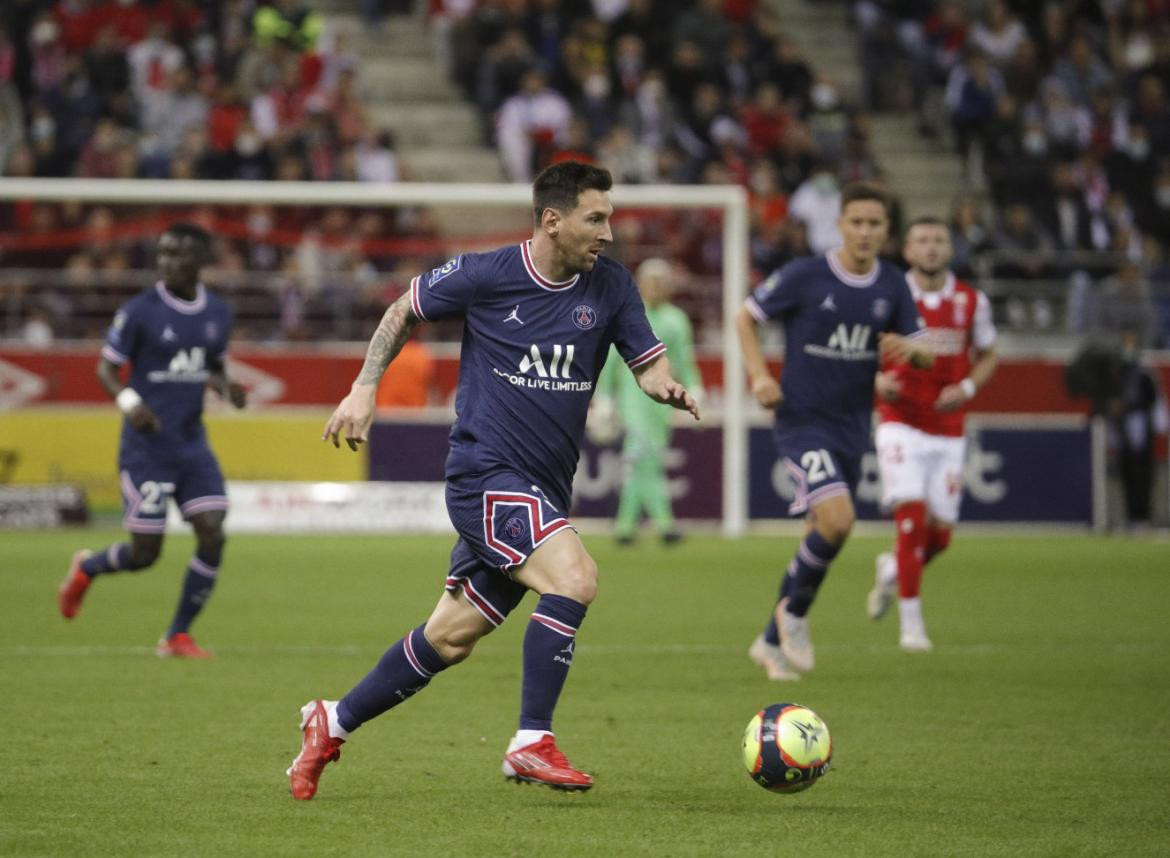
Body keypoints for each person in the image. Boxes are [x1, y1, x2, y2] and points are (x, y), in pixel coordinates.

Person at [287, 161, 699, 799]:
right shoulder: (486, 274)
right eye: (596, 218)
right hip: (486, 476)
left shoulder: (612, 287)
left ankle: (331, 721)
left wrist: (664, 385)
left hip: (543, 488)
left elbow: (647, 364)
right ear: (552, 220)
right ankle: (531, 741)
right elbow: (404, 309)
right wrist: (364, 386)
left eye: (609, 217)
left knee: (448, 640)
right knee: (576, 578)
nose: (609, 233)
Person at [736, 180, 932, 681]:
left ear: (888, 231)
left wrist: (907, 356)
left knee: (822, 533)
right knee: (839, 520)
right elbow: (746, 316)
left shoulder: (892, 285)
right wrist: (759, 375)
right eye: (857, 222)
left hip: (851, 427)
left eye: (875, 224)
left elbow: (923, 350)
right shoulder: (806, 274)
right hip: (802, 421)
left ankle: (770, 640)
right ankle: (795, 617)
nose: (865, 232)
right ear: (840, 224)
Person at [57, 223, 247, 658]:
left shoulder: (218, 311)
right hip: (147, 449)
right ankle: (86, 568)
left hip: (192, 443)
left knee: (213, 533)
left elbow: (212, 364)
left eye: (177, 254)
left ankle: (177, 634)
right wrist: (129, 401)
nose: (166, 262)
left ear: (199, 260)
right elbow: (106, 369)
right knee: (146, 554)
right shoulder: (139, 310)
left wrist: (226, 387)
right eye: (162, 254)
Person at [867, 216, 999, 651]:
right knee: (911, 520)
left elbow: (989, 353)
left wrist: (966, 387)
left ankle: (890, 571)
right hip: (899, 421)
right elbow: (858, 347)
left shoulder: (970, 301)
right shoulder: (886, 294)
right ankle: (912, 627)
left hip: (948, 428)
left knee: (938, 537)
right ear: (906, 250)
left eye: (939, 240)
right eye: (921, 240)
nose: (931, 248)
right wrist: (875, 381)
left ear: (950, 248)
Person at [594, 257, 703, 545]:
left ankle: (624, 528)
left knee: (644, 462)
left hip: (662, 401)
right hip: (633, 396)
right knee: (643, 455)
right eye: (649, 281)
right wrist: (605, 397)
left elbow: (684, 360)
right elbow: (612, 362)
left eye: (659, 281)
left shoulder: (676, 321)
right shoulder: (629, 315)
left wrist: (694, 387)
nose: (654, 287)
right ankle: (665, 525)